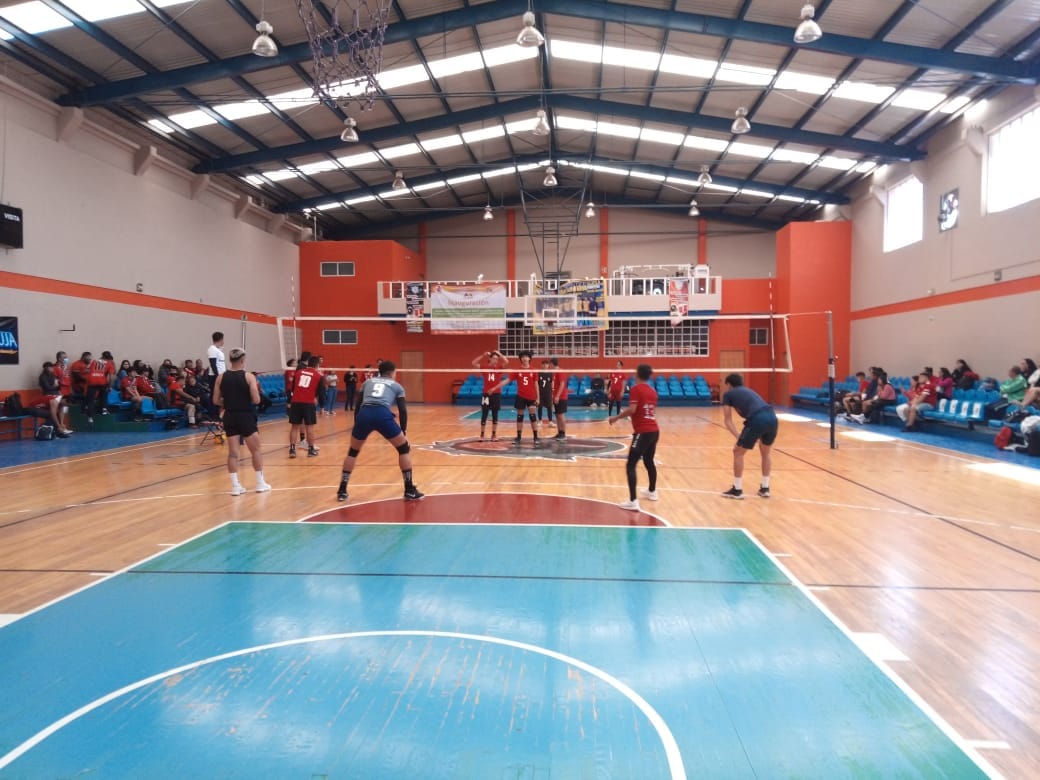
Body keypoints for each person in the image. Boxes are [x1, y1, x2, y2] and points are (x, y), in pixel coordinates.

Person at [337, 360, 424, 503]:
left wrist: (357, 423)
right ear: (392, 372)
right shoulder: (397, 386)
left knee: (353, 451)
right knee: (403, 449)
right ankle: (409, 489)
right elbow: (403, 411)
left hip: (364, 414)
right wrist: (404, 431)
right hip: (382, 414)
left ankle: (342, 490)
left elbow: (358, 406)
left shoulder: (367, 382)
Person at [213, 348, 270, 495]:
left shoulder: (221, 377)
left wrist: (229, 402)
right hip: (245, 416)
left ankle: (235, 486)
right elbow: (256, 400)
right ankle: (259, 483)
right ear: (243, 360)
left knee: (233, 453)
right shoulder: (249, 377)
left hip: (229, 416)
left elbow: (215, 400)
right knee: (255, 450)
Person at [608, 363, 659, 511]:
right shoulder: (653, 391)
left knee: (631, 464)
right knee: (649, 460)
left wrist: (616, 417)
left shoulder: (636, 389)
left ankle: (633, 501)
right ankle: (652, 491)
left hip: (643, 432)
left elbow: (633, 409)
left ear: (637, 374)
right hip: (654, 430)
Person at [721, 373, 778, 499]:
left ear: (729, 385)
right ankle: (765, 488)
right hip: (772, 417)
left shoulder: (728, 394)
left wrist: (738, 436)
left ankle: (737, 490)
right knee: (765, 453)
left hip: (757, 419)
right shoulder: (749, 391)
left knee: (738, 451)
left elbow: (727, 420)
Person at [288, 355, 322, 458]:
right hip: (308, 403)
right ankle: (311, 450)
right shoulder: (318, 375)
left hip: (296, 402)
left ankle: (292, 450)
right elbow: (319, 392)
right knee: (309, 427)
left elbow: (293, 388)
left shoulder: (298, 372)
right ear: (317, 365)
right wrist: (318, 402)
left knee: (294, 427)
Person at [472, 350, 509, 441]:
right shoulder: (484, 367)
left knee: (495, 414)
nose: (495, 360)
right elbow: (473, 363)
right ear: (490, 359)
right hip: (486, 394)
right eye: (494, 358)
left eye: (497, 359)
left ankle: (494, 435)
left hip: (496, 394)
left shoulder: (499, 368)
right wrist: (482, 355)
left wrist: (499, 354)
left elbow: (507, 362)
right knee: (484, 414)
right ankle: (482, 434)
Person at [511, 350, 541, 447]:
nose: (524, 358)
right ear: (521, 359)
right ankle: (518, 436)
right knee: (520, 417)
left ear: (529, 358)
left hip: (531, 397)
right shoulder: (517, 370)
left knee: (533, 416)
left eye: (526, 357)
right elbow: (508, 379)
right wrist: (496, 387)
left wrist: (538, 398)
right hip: (520, 396)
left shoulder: (533, 370)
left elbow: (536, 385)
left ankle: (536, 437)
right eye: (522, 357)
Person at [37, 361, 71, 437]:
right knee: (53, 412)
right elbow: (47, 387)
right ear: (46, 368)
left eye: (52, 367)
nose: (52, 369)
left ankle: (62, 424)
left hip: (56, 394)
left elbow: (57, 385)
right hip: (48, 396)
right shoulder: (42, 376)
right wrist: (55, 386)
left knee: (63, 406)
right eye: (51, 367)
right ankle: (58, 429)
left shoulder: (53, 375)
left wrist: (58, 389)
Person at [551, 356, 568, 440]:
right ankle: (559, 432)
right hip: (555, 397)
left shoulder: (559, 371)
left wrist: (557, 396)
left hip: (561, 397)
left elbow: (562, 384)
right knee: (557, 415)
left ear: (551, 364)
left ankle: (563, 433)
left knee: (561, 415)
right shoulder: (554, 372)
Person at [537, 359, 555, 428]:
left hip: (548, 393)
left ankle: (550, 421)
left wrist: (552, 391)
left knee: (549, 407)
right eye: (543, 364)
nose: (545, 365)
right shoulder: (539, 373)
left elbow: (552, 382)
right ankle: (540, 421)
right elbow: (536, 383)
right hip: (540, 393)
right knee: (539, 407)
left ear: (548, 365)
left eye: (546, 364)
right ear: (541, 365)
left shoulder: (550, 373)